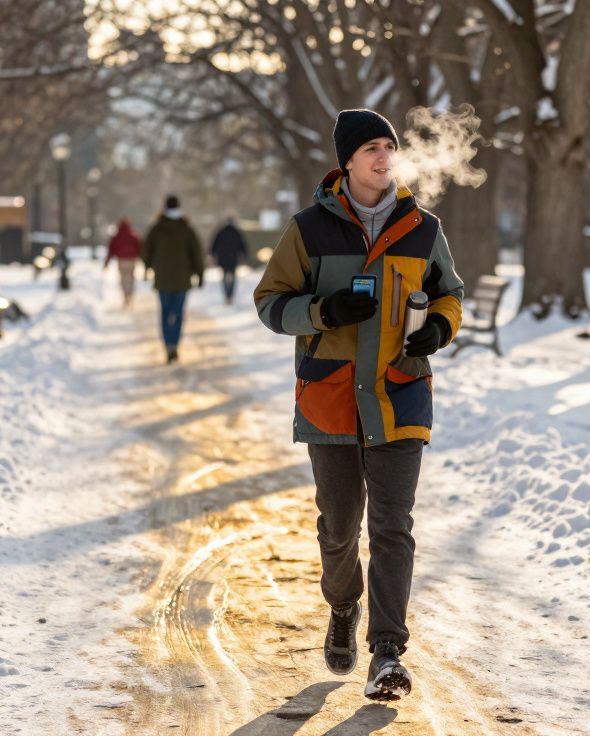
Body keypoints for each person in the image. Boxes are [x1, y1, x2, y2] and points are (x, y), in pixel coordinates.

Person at [253, 109, 464, 701]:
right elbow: (271, 303)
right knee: (339, 530)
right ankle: (343, 604)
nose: (383, 155)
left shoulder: (422, 226)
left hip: (400, 396)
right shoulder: (308, 230)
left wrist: (439, 330)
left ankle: (388, 652)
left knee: (392, 529)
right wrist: (323, 311)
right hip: (333, 401)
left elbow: (451, 294)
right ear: (347, 160)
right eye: (371, 146)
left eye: (389, 146)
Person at [142, 195, 204, 363]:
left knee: (164, 312)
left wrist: (147, 268)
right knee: (177, 313)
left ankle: (167, 344)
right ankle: (174, 345)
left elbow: (147, 250)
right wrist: (200, 273)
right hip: (182, 279)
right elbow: (196, 253)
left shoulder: (156, 228)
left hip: (162, 278)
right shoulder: (186, 228)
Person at [210, 216, 250, 304]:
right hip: (233, 258)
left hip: (223, 258)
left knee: (224, 277)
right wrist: (245, 255)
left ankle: (226, 295)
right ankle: (231, 295)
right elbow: (242, 245)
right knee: (233, 277)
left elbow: (214, 244)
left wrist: (213, 254)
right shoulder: (236, 232)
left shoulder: (221, 232)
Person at [103, 217, 142, 308]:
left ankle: (126, 296)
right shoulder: (133, 235)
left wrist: (106, 263)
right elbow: (140, 247)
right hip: (131, 260)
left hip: (121, 260)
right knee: (131, 278)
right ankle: (130, 295)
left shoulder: (117, 236)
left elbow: (111, 250)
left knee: (123, 279)